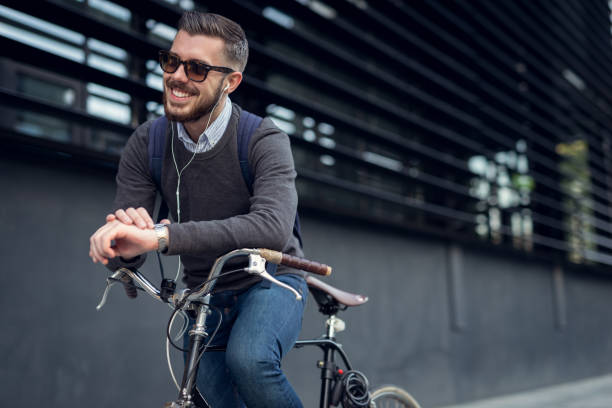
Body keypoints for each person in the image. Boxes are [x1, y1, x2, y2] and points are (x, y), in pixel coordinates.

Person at [89, 11, 306, 408]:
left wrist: (161, 236)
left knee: (250, 360)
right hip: (205, 291)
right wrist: (122, 246)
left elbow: (272, 227)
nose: (177, 76)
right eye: (172, 61)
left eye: (197, 68)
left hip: (272, 279)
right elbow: (131, 239)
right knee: (208, 397)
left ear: (231, 82)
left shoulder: (263, 138)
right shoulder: (148, 143)